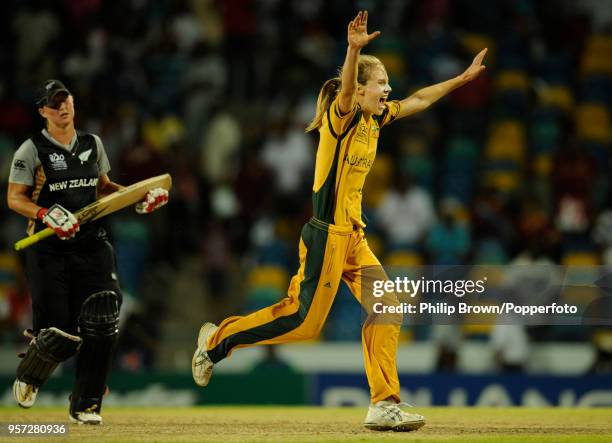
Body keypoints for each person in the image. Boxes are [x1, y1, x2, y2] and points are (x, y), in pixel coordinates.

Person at [192, 11, 486, 431]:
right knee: (303, 322)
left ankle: (384, 403)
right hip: (326, 235)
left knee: (388, 308)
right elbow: (346, 88)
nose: (388, 89)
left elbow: (419, 100)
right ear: (361, 88)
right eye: (381, 84)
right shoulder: (342, 116)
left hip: (354, 237)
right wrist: (352, 50)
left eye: (387, 84)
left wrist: (460, 80)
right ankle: (216, 341)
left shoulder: (376, 118)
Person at [7, 79, 169, 425]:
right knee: (58, 334)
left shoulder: (92, 144)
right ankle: (31, 374)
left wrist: (142, 197)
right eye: (54, 103)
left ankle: (86, 403)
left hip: (92, 242)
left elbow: (105, 189)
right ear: (42, 112)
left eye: (67, 100)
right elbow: (14, 198)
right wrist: (45, 212)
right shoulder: (31, 149)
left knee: (104, 315)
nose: (63, 107)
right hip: (49, 249)